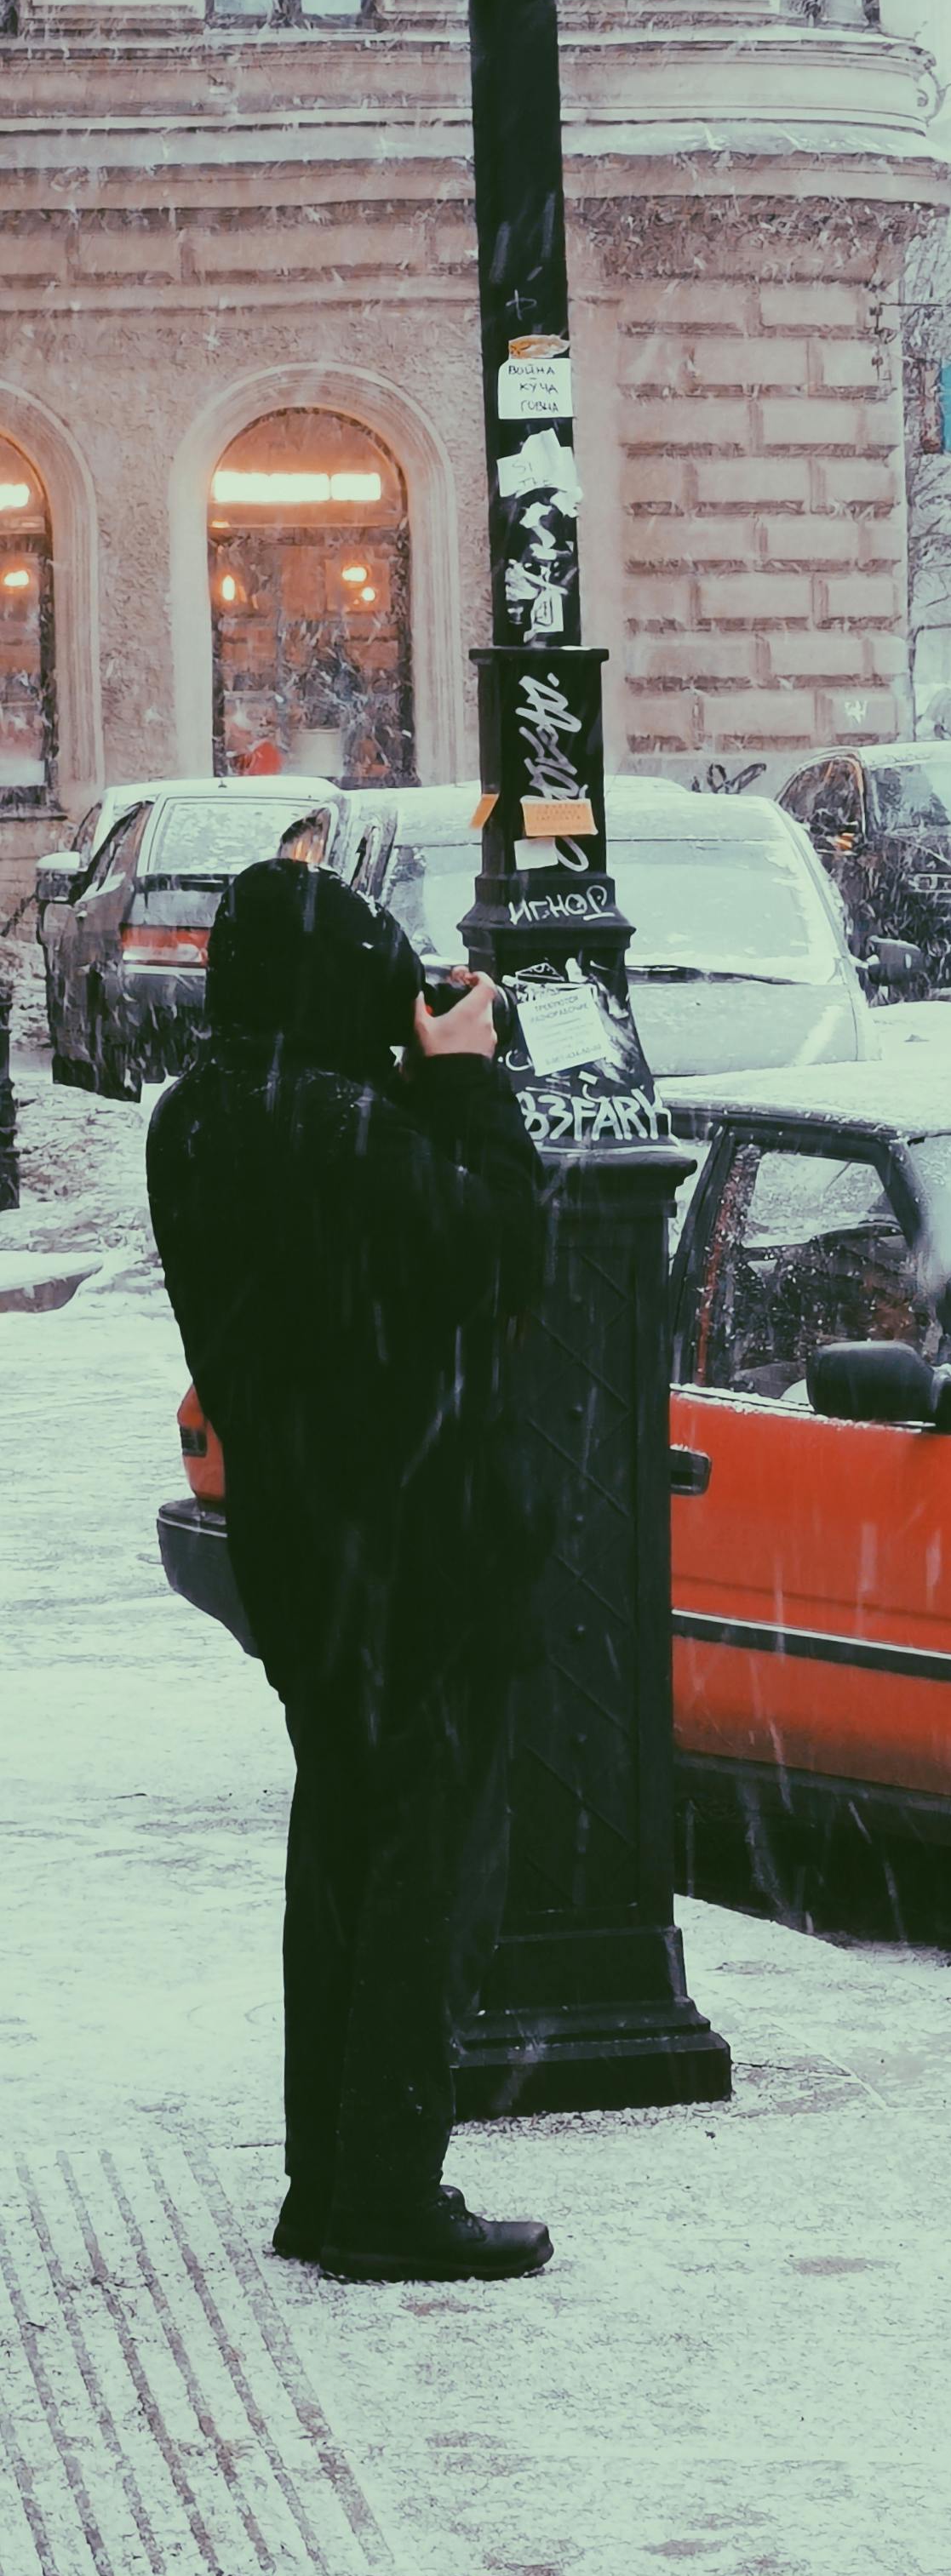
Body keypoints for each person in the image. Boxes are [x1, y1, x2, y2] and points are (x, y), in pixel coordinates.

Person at [147, 862, 555, 2278]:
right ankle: (385, 2189)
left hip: (301, 1548)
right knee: (419, 1866)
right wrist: (464, 1080)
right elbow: (505, 1250)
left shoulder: (196, 1123)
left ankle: (326, 2174)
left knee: (339, 1844)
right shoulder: (341, 1126)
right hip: (416, 1547)